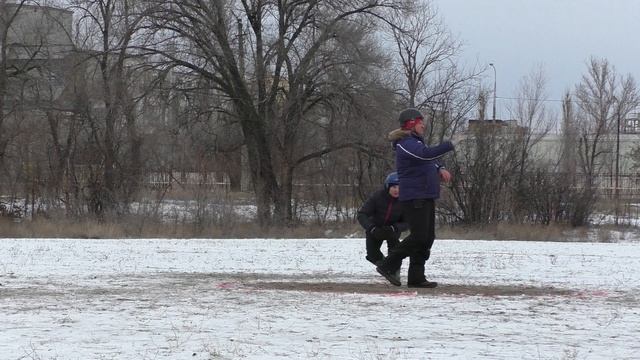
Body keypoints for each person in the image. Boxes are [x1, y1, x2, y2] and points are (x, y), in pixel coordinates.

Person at [375, 108, 456, 288]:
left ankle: (416, 277)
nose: (424, 125)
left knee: (427, 238)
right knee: (419, 236)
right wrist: (449, 144)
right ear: (411, 124)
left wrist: (439, 168)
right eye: (420, 122)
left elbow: (428, 159)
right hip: (415, 196)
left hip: (426, 194)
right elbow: (424, 155)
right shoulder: (405, 143)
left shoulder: (416, 142)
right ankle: (388, 265)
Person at [357, 172, 408, 267]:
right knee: (372, 255)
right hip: (375, 228)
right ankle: (384, 267)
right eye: (394, 187)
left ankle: (393, 271)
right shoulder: (377, 196)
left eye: (400, 187)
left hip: (392, 230)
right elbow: (362, 214)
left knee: (396, 253)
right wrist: (372, 228)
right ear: (388, 187)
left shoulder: (405, 201)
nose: (397, 190)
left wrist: (394, 228)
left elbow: (407, 222)